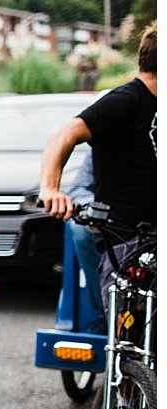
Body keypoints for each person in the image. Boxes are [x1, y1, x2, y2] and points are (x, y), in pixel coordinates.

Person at [39, 21, 156, 306]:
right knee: (130, 333)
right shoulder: (126, 100)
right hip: (127, 238)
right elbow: (64, 135)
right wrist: (50, 188)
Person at [64, 149, 106, 334]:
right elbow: (78, 189)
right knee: (81, 229)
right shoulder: (103, 144)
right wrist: (99, 210)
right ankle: (106, 313)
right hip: (116, 217)